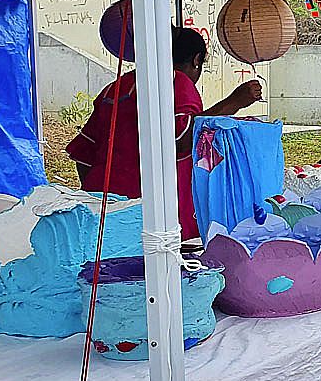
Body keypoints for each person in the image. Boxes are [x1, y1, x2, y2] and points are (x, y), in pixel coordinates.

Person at [67, 27, 263, 241]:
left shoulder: (114, 89)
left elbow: (83, 154)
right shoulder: (175, 81)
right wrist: (234, 102)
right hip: (154, 212)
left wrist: (100, 194)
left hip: (105, 208)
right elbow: (181, 139)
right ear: (196, 60)